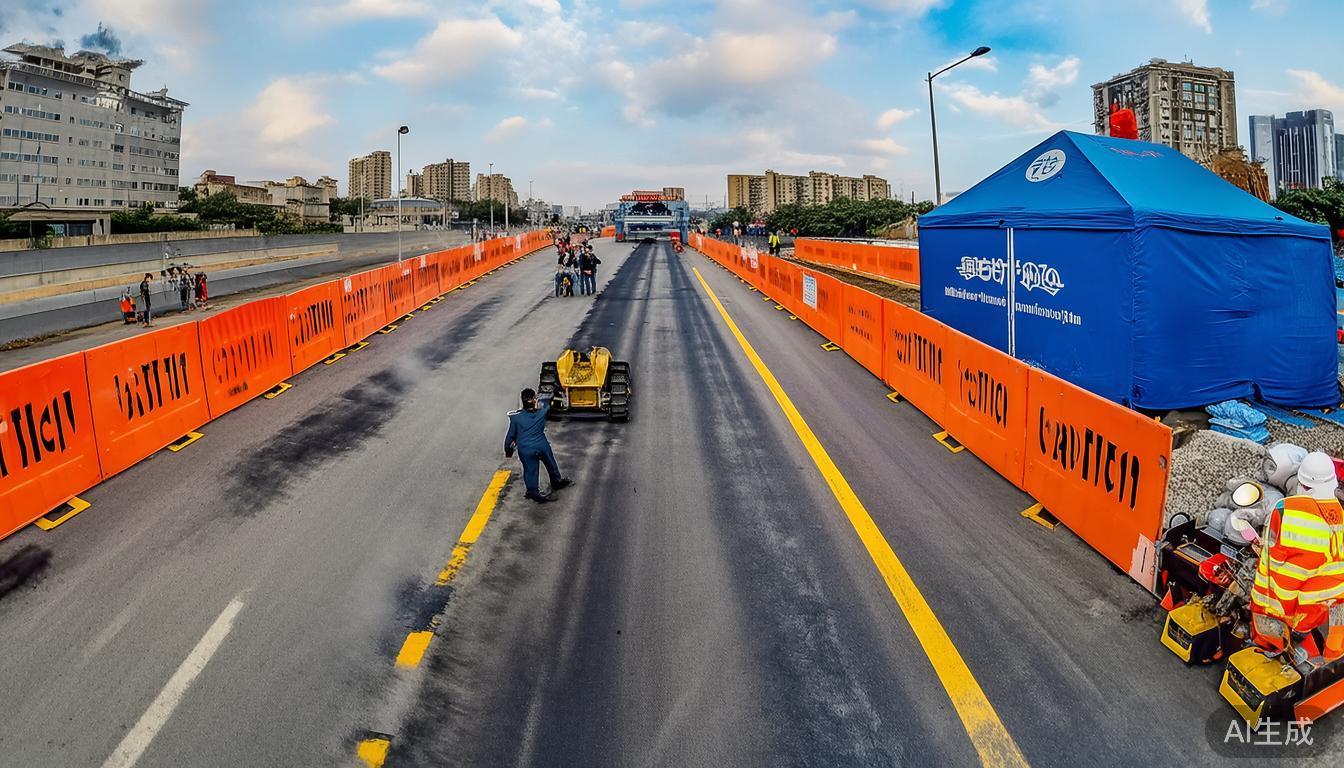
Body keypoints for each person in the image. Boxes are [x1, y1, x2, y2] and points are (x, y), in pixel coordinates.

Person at [1249, 452, 1344, 665]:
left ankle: (1277, 651)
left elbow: (1275, 565)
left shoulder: (1285, 511)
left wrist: (1272, 616)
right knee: (1332, 656)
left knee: (1285, 646)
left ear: (1301, 482)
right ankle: (1328, 673)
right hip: (1335, 600)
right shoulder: (1340, 514)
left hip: (1302, 606)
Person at [504, 388, 571, 503]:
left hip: (526, 449)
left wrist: (508, 452)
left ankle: (533, 492)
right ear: (534, 400)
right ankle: (557, 481)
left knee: (530, 470)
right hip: (541, 445)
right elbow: (547, 402)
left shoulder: (515, 418)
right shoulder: (542, 412)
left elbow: (509, 438)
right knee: (550, 462)